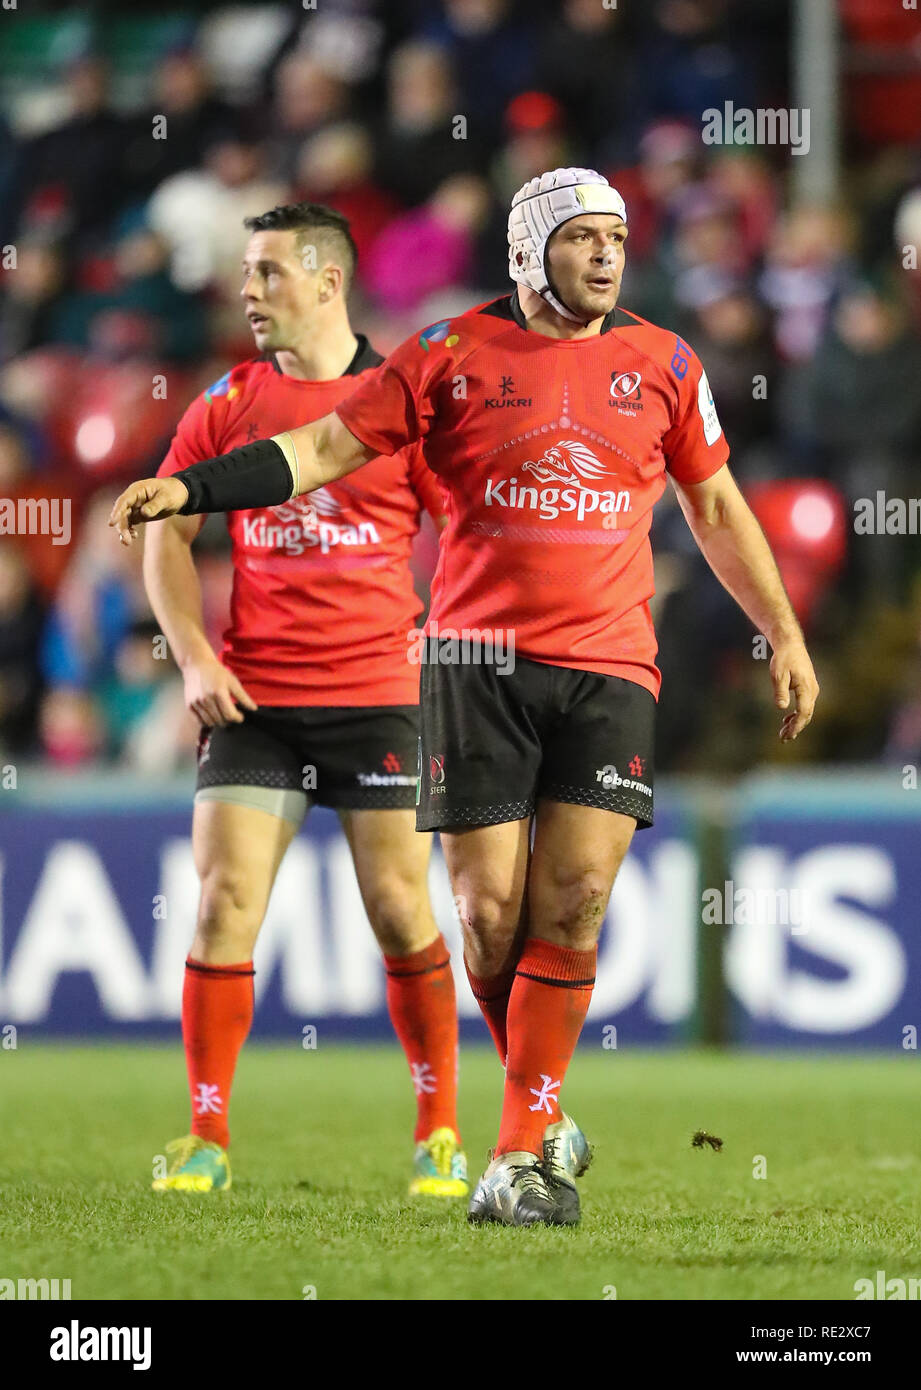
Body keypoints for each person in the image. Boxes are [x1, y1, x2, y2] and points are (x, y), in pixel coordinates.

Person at [111, 169, 819, 1226]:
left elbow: (714, 502)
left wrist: (783, 629)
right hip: (473, 664)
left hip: (610, 664)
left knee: (571, 904)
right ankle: (535, 1113)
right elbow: (318, 451)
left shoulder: (667, 361)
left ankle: (512, 1155)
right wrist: (196, 488)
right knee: (488, 921)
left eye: (618, 237)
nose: (607, 255)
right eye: (583, 237)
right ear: (530, 250)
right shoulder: (445, 354)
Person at [140, 202, 467, 1198]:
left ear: (330, 280)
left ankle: (440, 1129)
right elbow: (165, 529)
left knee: (399, 907)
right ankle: (204, 1137)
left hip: (380, 698)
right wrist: (194, 656)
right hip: (258, 704)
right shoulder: (227, 401)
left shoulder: (398, 401)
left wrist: (456, 650)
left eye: (269, 272)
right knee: (225, 902)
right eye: (245, 273)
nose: (248, 291)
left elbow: (471, 534)